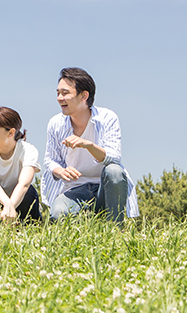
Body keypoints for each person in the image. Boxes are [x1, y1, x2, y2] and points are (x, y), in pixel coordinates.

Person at [41, 67, 139, 223]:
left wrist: (88, 145)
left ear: (84, 96)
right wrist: (61, 171)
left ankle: (115, 231)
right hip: (74, 189)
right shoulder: (55, 123)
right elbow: (50, 160)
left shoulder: (107, 118)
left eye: (65, 93)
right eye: (58, 93)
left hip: (104, 189)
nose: (60, 98)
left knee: (114, 171)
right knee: (59, 214)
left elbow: (114, 158)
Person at [0, 106, 42, 221]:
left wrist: (9, 207)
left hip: (21, 201)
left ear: (11, 132)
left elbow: (24, 184)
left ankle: (26, 225)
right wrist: (7, 204)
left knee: (30, 191)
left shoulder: (29, 150)